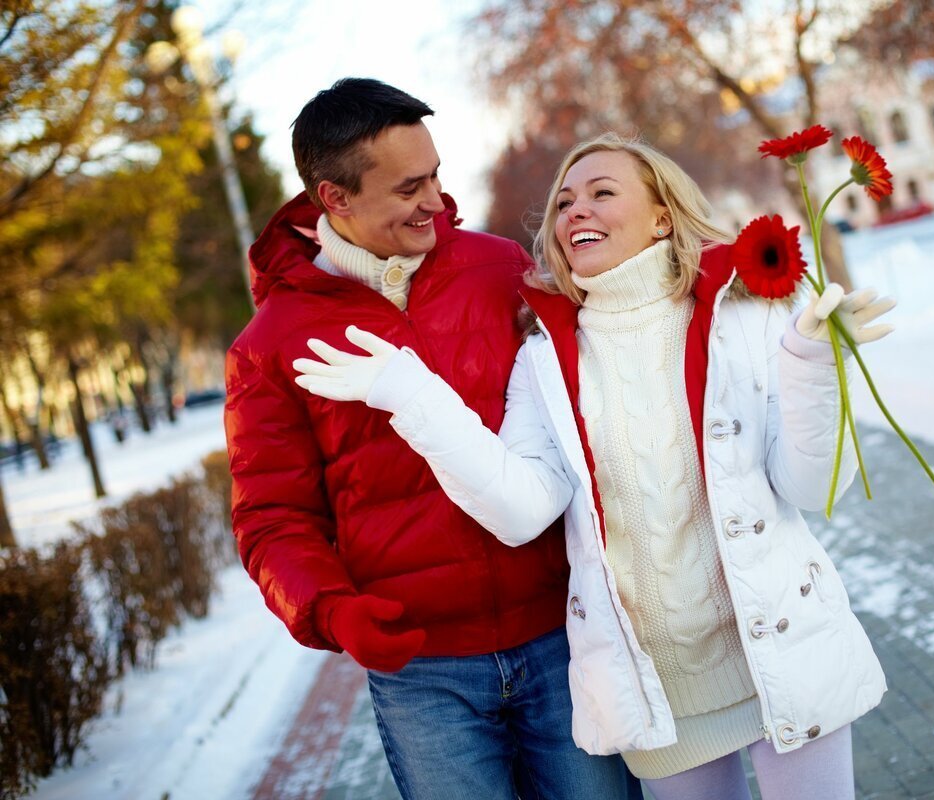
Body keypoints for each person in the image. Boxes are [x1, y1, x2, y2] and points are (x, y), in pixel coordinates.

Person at [296, 133, 894, 799]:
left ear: (662, 214)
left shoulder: (743, 312)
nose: (575, 210)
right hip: (660, 692)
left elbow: (813, 485)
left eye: (602, 193)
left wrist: (812, 365)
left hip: (781, 650)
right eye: (564, 202)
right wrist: (411, 393)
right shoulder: (545, 359)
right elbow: (522, 510)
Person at [224, 80, 637, 800]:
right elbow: (270, 518)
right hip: (424, 674)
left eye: (437, 175)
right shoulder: (269, 346)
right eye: (409, 187)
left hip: (562, 637)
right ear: (336, 198)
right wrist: (329, 609)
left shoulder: (500, 269)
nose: (435, 201)